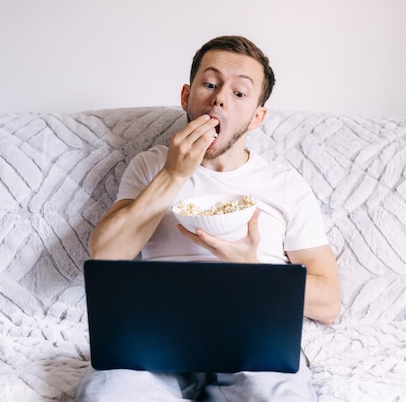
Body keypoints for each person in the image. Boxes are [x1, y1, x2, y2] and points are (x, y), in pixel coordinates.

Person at [75, 35, 341, 402]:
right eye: (211, 84)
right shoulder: (152, 165)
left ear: (257, 117)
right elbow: (104, 254)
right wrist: (173, 175)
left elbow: (329, 304)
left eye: (240, 94)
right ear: (187, 96)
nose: (219, 99)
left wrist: (256, 272)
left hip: (255, 345)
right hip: (155, 343)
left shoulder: (285, 184)